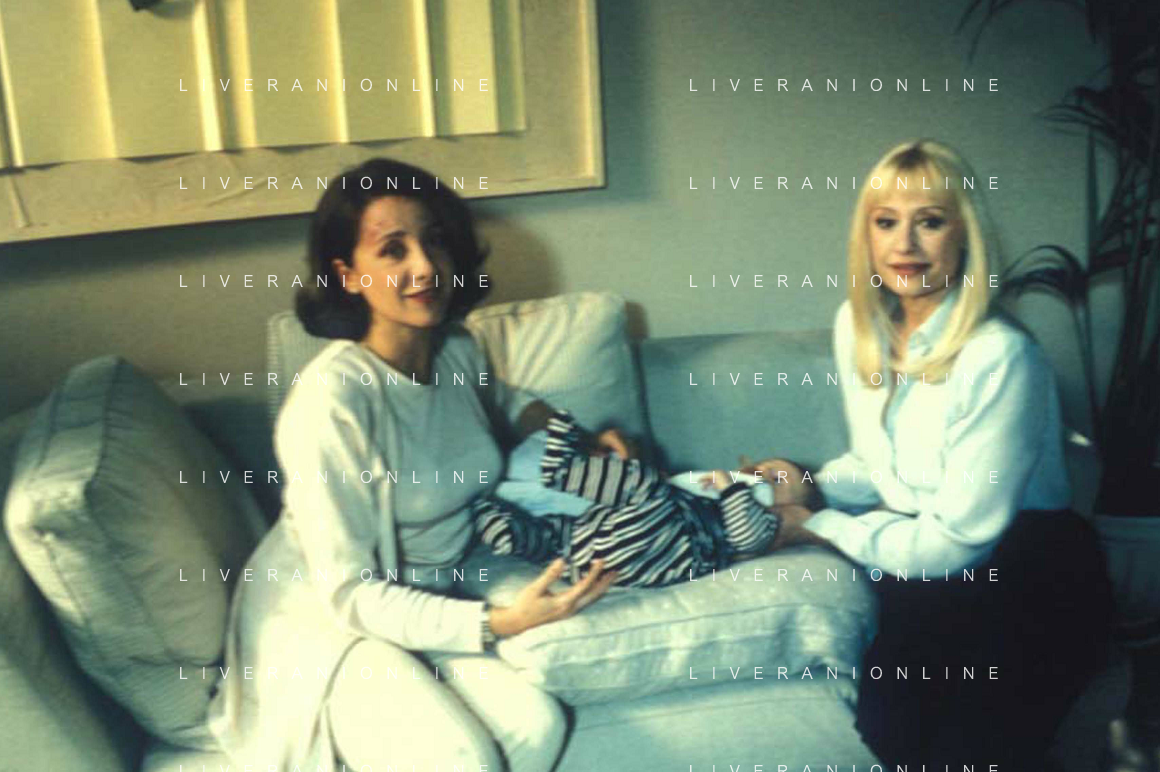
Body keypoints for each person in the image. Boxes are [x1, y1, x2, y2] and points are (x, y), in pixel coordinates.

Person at [207, 158, 624, 772]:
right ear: (348, 275)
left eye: (434, 241)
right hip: (327, 620)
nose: (425, 267)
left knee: (537, 727)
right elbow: (350, 592)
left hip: (426, 593)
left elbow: (504, 401)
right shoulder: (331, 402)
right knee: (462, 758)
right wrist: (501, 622)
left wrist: (578, 438)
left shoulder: (455, 350)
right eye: (393, 250)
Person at [742, 140, 1113, 770]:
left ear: (964, 235)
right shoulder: (858, 325)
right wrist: (806, 481)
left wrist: (818, 526)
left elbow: (957, 543)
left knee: (959, 751)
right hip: (925, 560)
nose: (905, 244)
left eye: (930, 221)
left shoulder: (1000, 354)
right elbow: (881, 466)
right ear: (866, 235)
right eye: (886, 222)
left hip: (1027, 571)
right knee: (887, 732)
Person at [474, 407, 788, 587]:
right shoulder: (713, 496)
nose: (762, 472)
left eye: (779, 478)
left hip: (655, 550)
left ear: (791, 505)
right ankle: (499, 525)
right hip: (604, 552)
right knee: (560, 536)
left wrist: (730, 487)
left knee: (646, 486)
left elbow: (748, 537)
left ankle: (564, 472)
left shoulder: (759, 512)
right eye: (764, 465)